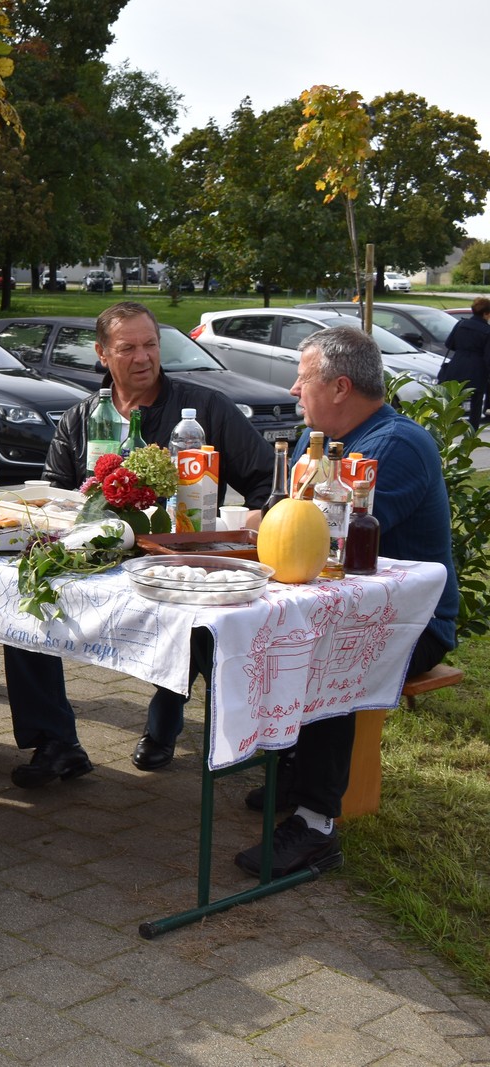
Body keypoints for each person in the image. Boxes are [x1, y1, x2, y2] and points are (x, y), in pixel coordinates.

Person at [6, 302, 275, 787]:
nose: (143, 357)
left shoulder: (206, 409)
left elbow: (266, 480)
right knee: (22, 599)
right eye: (127, 348)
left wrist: (255, 519)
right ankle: (55, 742)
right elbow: (54, 495)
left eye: (150, 345)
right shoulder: (81, 416)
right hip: (94, 560)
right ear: (102, 354)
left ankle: (166, 716)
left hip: (174, 557)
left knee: (199, 614)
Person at [233, 324, 458, 878]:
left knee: (326, 653)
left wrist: (267, 522)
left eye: (302, 378)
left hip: (415, 626)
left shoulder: (394, 445)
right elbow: (284, 517)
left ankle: (316, 825)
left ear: (339, 387)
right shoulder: (328, 443)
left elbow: (329, 538)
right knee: (237, 633)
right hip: (349, 606)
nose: (293, 390)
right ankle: (293, 763)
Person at [442, 297, 490, 430]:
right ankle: (472, 433)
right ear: (486, 313)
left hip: (456, 365)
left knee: (454, 401)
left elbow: (449, 344)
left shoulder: (460, 324)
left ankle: (448, 430)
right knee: (476, 404)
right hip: (477, 370)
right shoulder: (487, 331)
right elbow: (488, 357)